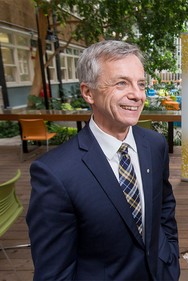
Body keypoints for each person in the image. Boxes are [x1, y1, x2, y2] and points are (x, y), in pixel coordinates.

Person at [26, 40, 180, 281]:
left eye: (141, 84)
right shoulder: (55, 174)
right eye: (121, 83)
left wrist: (169, 251)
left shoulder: (155, 144)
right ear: (88, 93)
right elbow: (54, 273)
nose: (137, 95)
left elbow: (164, 206)